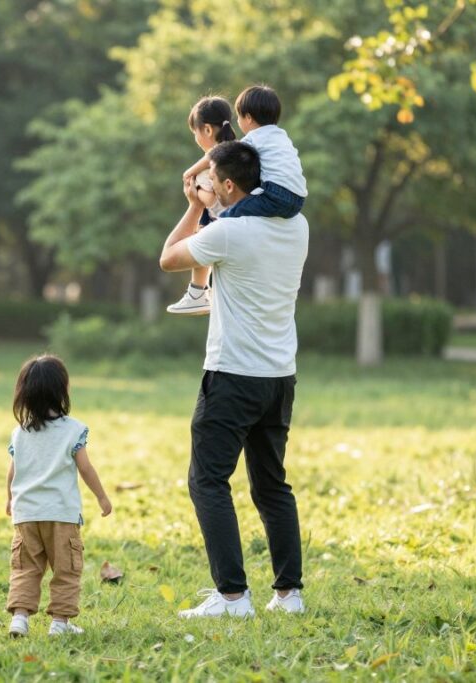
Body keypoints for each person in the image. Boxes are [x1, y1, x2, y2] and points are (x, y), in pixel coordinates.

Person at [160, 140, 309, 618]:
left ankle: (232, 597)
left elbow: (169, 257)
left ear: (226, 184)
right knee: (271, 486)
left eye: (214, 181)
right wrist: (214, 208)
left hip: (231, 376)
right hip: (279, 376)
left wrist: (193, 207)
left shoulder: (228, 233)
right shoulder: (297, 226)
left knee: (207, 480)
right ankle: (289, 595)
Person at [171, 85, 308, 316]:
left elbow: (217, 154)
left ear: (248, 118)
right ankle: (203, 290)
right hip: (297, 198)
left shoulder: (251, 141)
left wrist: (189, 174)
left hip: (274, 194)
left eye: (240, 117)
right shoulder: (281, 138)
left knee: (226, 219)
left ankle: (205, 290)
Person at [4, 354, 112, 637]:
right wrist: (101, 497)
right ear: (62, 391)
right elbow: (85, 468)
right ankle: (60, 624)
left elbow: (12, 471)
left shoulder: (20, 432)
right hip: (61, 514)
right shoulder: (73, 430)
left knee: (26, 568)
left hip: (26, 513)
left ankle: (20, 618)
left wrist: (9, 498)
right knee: (66, 570)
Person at [166, 96, 237, 316]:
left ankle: (197, 293)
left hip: (220, 218)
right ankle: (197, 292)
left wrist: (195, 191)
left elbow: (211, 200)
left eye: (194, 132)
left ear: (207, 130)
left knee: (199, 244)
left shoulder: (213, 165)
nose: (195, 138)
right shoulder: (236, 151)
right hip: (234, 219)